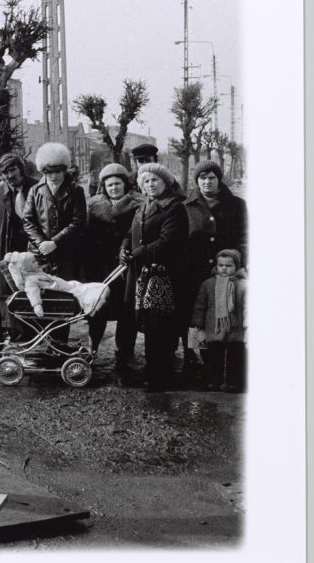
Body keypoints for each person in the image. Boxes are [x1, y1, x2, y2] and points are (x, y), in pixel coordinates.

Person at [120, 162, 189, 392]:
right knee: (148, 322)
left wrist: (139, 253)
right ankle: (152, 369)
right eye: (146, 181)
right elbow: (132, 233)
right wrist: (124, 248)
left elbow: (168, 240)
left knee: (161, 324)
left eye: (155, 180)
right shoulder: (143, 206)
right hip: (140, 272)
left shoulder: (174, 207)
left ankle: (162, 374)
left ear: (165, 183)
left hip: (162, 274)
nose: (151, 184)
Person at [182, 160, 248, 374]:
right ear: (197, 181)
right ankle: (194, 359)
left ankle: (223, 368)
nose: (207, 182)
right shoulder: (185, 206)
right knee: (195, 318)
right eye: (202, 178)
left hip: (225, 273)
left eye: (211, 177)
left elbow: (245, 238)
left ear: (219, 180)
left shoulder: (237, 205)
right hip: (194, 274)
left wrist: (236, 262)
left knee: (225, 319)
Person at [83, 163, 143, 381]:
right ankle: (92, 350)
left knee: (127, 312)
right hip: (99, 265)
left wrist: (127, 250)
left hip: (127, 265)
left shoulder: (138, 204)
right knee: (97, 307)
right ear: (103, 186)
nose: (114, 188)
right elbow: (86, 234)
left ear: (125, 184)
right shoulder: (93, 205)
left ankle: (123, 355)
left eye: (118, 184)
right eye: (110, 185)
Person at [0, 152, 38, 346]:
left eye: (12, 170)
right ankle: (16, 341)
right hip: (7, 254)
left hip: (33, 254)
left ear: (20, 168)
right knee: (9, 298)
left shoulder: (37, 188)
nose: (9, 175)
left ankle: (36, 340)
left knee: (35, 294)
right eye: (5, 172)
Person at [22, 142, 85, 282]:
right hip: (40, 254)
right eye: (48, 172)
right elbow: (27, 220)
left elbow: (78, 221)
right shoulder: (35, 191)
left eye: (57, 171)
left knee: (67, 292)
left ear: (64, 170)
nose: (53, 176)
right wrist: (41, 243)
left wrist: (55, 242)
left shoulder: (76, 191)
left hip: (67, 253)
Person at [191, 249, 247, 392]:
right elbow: (200, 305)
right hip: (213, 328)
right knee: (214, 356)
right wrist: (198, 323)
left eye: (228, 266)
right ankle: (213, 380)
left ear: (237, 266)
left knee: (236, 358)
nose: (223, 268)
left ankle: (233, 382)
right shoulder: (208, 284)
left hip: (236, 329)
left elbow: (248, 305)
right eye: (220, 265)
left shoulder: (243, 285)